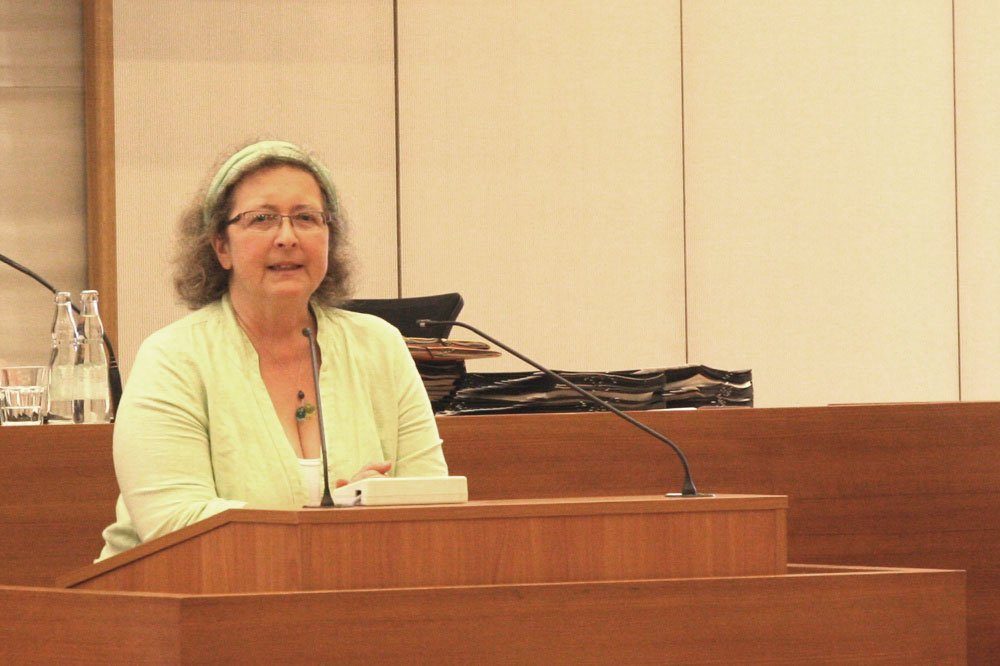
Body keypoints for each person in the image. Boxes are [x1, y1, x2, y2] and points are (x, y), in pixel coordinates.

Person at [98, 140, 446, 560]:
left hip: (350, 586)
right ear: (221, 247)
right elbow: (175, 525)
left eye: (306, 218)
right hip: (186, 590)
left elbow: (433, 504)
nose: (287, 237)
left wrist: (377, 507)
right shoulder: (173, 358)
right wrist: (332, 524)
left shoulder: (379, 346)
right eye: (262, 219)